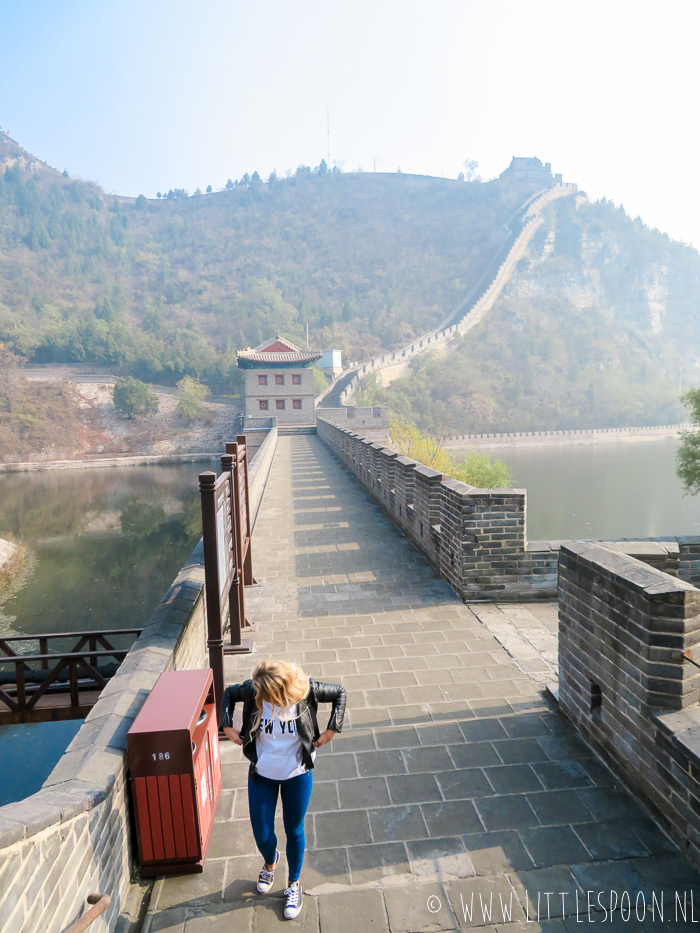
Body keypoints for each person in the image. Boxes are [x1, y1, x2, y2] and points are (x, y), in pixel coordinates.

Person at [221, 659, 347, 920]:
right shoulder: (253, 690)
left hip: (297, 774)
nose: (255, 696)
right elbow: (229, 694)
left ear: (276, 692)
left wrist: (332, 729)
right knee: (262, 834)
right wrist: (226, 726)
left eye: (260, 693)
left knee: (294, 829)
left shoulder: (306, 691)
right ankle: (270, 861)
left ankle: (294, 884)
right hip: (262, 774)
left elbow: (340, 694)